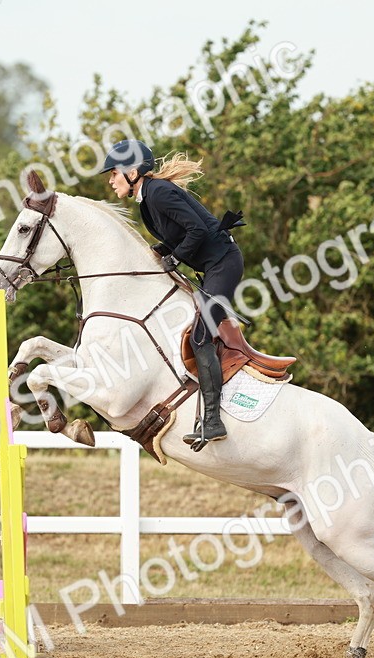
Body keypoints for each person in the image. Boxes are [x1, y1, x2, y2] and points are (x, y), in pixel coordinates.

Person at [99, 139, 246, 452]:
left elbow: (198, 231)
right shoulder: (148, 198)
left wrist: (175, 257)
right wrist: (163, 249)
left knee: (200, 337)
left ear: (133, 171)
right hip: (214, 266)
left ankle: (212, 420)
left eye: (114, 173)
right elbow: (182, 232)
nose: (110, 180)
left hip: (223, 264)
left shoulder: (159, 192)